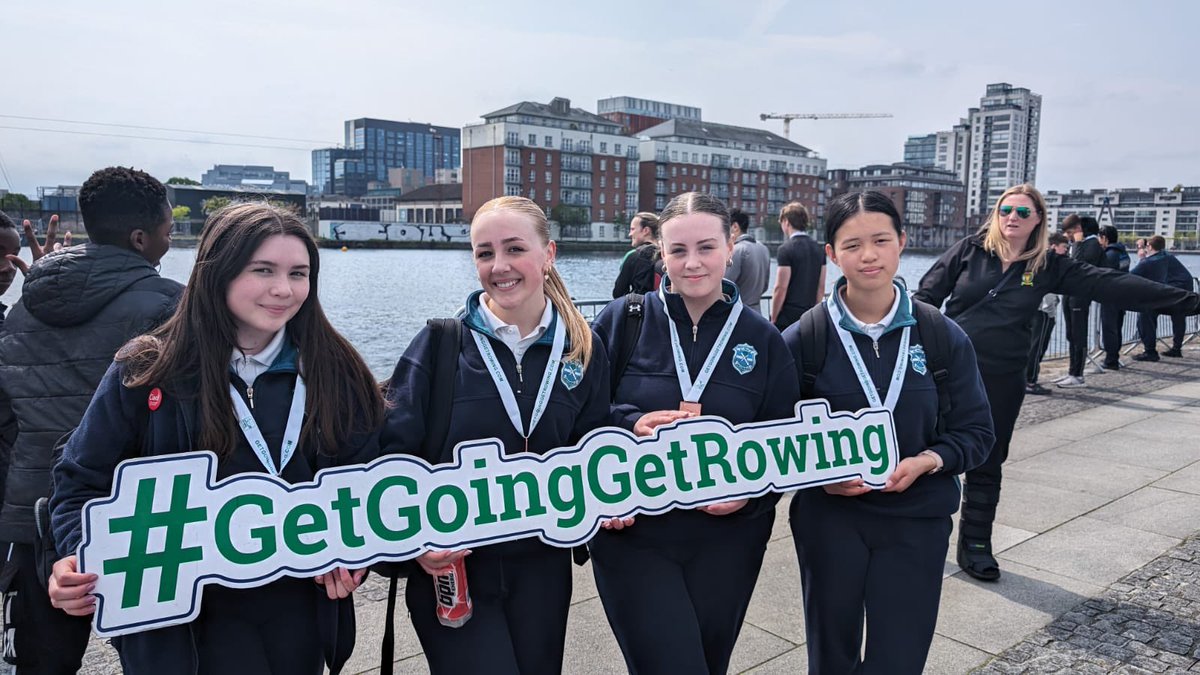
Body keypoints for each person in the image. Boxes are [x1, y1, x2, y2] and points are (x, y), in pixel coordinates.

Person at [47, 202, 383, 674]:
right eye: (262, 270)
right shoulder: (146, 369)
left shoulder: (335, 371)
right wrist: (75, 557)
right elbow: (80, 483)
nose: (283, 289)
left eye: (299, 273)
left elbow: (365, 484)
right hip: (176, 626)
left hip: (296, 615)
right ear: (217, 271)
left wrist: (353, 554)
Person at [915, 183, 1200, 582]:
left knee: (988, 461)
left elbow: (1112, 285)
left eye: (1023, 212)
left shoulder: (1048, 265)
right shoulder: (969, 250)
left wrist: (1189, 302)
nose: (1012, 217)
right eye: (1006, 209)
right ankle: (915, 538)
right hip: (947, 373)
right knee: (927, 454)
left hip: (1003, 378)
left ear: (1038, 221)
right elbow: (925, 299)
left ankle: (976, 544)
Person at [382, 195, 610, 674]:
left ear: (548, 255)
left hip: (543, 568)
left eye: (514, 249)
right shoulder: (441, 345)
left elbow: (595, 445)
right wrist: (415, 543)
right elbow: (390, 455)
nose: (499, 266)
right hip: (455, 568)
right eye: (485, 253)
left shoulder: (582, 350)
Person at [781, 190, 994, 674]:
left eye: (880, 240)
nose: (869, 255)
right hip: (830, 520)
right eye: (852, 245)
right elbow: (773, 437)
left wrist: (928, 461)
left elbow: (977, 432)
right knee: (830, 657)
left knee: (899, 657)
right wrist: (818, 477)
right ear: (831, 255)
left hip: (917, 520)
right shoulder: (803, 339)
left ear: (902, 241)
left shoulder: (941, 334)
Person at [589, 192, 799, 675]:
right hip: (635, 535)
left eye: (706, 247)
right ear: (660, 254)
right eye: (677, 250)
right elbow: (578, 413)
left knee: (709, 664)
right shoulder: (624, 318)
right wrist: (629, 422)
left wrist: (749, 497)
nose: (692, 263)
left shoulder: (762, 338)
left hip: (728, 542)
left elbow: (787, 441)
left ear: (731, 246)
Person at [0, 167, 184, 674]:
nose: (169, 245)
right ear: (140, 238)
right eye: (168, 234)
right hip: (132, 519)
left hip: (30, 518)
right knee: (156, 658)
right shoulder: (172, 306)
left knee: (35, 665)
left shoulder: (25, 305)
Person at [1057, 215, 1104, 388]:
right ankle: (1071, 371)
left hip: (1080, 296)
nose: (1068, 237)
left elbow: (1076, 266)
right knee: (1071, 334)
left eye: (1070, 232)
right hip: (1070, 294)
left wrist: (1076, 243)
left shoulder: (1092, 245)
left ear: (1079, 230)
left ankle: (1078, 374)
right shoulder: (1083, 245)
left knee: (1078, 335)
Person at [1131, 235, 1195, 361]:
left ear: (1149, 246)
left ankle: (1150, 351)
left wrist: (1142, 257)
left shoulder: (1152, 261)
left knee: (1146, 314)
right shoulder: (1165, 255)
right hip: (1183, 290)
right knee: (1178, 318)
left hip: (1172, 292)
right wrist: (1145, 245)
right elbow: (1155, 248)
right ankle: (1176, 348)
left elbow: (1132, 275)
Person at [1024, 234, 1069, 395]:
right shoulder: (1044, 262)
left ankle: (1028, 379)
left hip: (1042, 309)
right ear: (1054, 246)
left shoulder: (1040, 261)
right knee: (1037, 347)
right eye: (1064, 247)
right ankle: (1030, 381)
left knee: (1036, 346)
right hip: (1042, 310)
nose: (1066, 251)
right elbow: (1029, 282)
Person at [771, 201, 825, 330]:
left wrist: (773, 318)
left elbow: (781, 288)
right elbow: (821, 286)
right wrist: (815, 313)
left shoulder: (786, 249)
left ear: (787, 222)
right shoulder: (818, 249)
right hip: (809, 315)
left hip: (787, 316)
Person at [1097, 225, 1132, 369]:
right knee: (1117, 327)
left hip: (1111, 295)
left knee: (1109, 328)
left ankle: (1110, 360)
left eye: (1100, 238)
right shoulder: (1123, 253)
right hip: (1123, 294)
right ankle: (1114, 356)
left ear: (1104, 237)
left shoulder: (1110, 255)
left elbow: (1104, 275)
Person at [724, 207, 770, 313]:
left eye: (725, 228)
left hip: (738, 313)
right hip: (757, 312)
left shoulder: (736, 250)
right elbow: (765, 286)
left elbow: (725, 285)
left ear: (735, 227)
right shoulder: (763, 248)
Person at [612, 212, 660, 297]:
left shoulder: (633, 256)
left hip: (643, 308)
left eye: (632, 229)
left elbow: (618, 292)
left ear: (646, 231)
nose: (630, 234)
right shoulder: (666, 254)